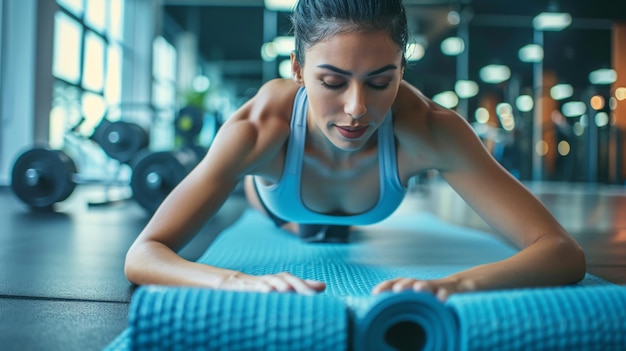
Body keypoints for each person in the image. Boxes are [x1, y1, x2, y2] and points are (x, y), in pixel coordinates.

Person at [124, 0, 586, 301]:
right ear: (298, 70)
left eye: (381, 81)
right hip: (275, 200)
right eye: (332, 82)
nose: (356, 109)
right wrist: (236, 281)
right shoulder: (259, 129)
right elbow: (143, 255)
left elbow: (561, 252)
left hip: (350, 197)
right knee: (297, 223)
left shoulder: (430, 129)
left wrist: (454, 285)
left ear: (402, 70)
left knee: (329, 232)